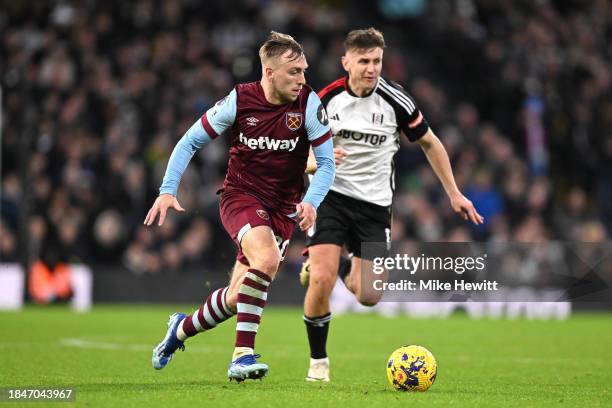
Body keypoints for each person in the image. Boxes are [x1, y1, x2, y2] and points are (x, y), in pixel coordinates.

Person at [144, 31, 335, 382]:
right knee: (266, 260)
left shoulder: (309, 104)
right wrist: (167, 190)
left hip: (283, 210)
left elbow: (327, 165)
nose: (303, 79)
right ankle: (242, 356)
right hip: (240, 197)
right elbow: (188, 142)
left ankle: (180, 329)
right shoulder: (239, 101)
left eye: (304, 71)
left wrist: (310, 202)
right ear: (269, 72)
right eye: (294, 72)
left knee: (237, 297)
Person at [300, 28, 484, 382]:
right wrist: (315, 162)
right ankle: (318, 363)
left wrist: (454, 193)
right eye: (364, 61)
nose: (371, 68)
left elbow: (430, 143)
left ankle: (340, 264)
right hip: (330, 197)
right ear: (346, 62)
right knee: (319, 281)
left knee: (369, 295)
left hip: (375, 206)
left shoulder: (396, 101)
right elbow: (298, 149)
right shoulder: (324, 100)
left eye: (377, 61)